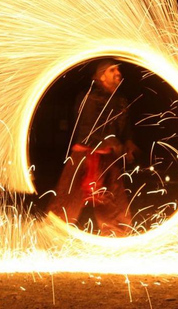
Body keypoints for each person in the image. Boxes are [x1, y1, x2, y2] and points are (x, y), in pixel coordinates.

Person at [47, 59, 139, 236]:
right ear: (102, 76)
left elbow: (125, 126)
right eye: (112, 70)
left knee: (114, 204)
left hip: (107, 158)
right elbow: (88, 131)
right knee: (66, 205)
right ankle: (53, 237)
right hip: (82, 158)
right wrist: (111, 142)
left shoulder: (120, 100)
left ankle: (117, 236)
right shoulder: (90, 97)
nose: (118, 73)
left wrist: (127, 141)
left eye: (118, 70)